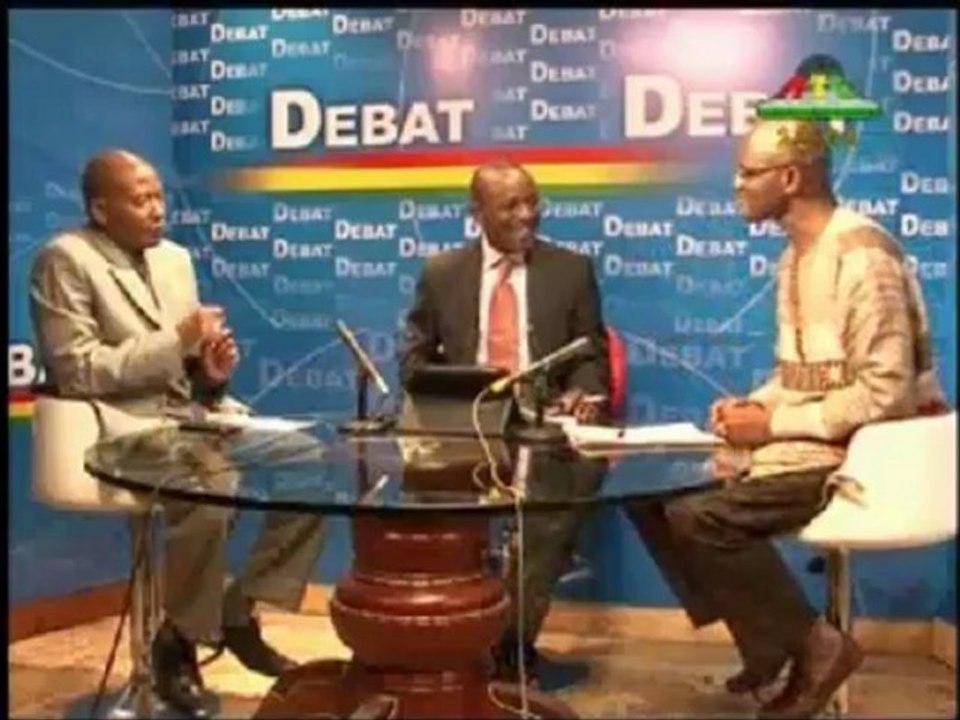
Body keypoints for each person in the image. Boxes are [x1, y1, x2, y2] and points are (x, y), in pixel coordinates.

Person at [627, 119, 945, 720]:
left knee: (701, 517)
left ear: (791, 178)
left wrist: (770, 428)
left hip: (867, 457)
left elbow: (886, 394)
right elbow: (799, 375)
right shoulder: (794, 257)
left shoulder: (863, 256)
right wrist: (755, 405)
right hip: (816, 444)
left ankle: (816, 647)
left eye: (749, 173)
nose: (736, 184)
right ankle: (769, 646)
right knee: (651, 496)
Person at [30, 149, 326, 717]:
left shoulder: (175, 259)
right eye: (141, 199)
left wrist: (209, 373)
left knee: (308, 460)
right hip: (117, 429)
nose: (157, 209)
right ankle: (180, 643)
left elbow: (186, 370)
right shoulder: (64, 260)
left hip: (189, 417)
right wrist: (177, 343)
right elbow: (78, 369)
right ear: (101, 209)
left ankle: (237, 609)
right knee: (212, 483)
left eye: (159, 196)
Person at [398, 161, 611, 681]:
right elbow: (413, 359)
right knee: (428, 501)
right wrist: (448, 393)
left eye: (533, 201)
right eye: (511, 205)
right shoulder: (442, 272)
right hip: (467, 424)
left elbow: (591, 354)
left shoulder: (571, 269)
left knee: (551, 505)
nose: (527, 215)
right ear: (477, 213)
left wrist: (583, 390)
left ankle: (510, 650)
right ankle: (451, 645)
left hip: (544, 424)